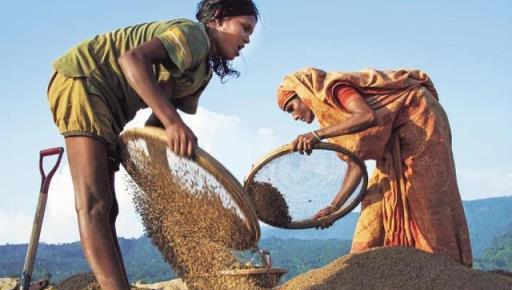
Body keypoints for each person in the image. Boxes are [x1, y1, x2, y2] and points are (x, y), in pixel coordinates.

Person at [46, 1, 259, 289]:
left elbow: (155, 130)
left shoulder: (201, 74)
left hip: (110, 109)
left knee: (109, 209)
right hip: (85, 81)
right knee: (94, 203)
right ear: (219, 20)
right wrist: (174, 123)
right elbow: (132, 60)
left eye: (250, 33)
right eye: (243, 28)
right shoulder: (195, 35)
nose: (247, 38)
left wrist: (164, 187)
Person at [276, 67, 472, 267]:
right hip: (392, 138)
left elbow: (367, 116)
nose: (294, 116)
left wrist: (317, 135)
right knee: (376, 200)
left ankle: (444, 272)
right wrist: (334, 207)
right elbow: (356, 162)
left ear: (303, 93)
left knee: (426, 198)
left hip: (420, 119)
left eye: (291, 107)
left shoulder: (335, 89)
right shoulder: (333, 116)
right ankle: (374, 273)